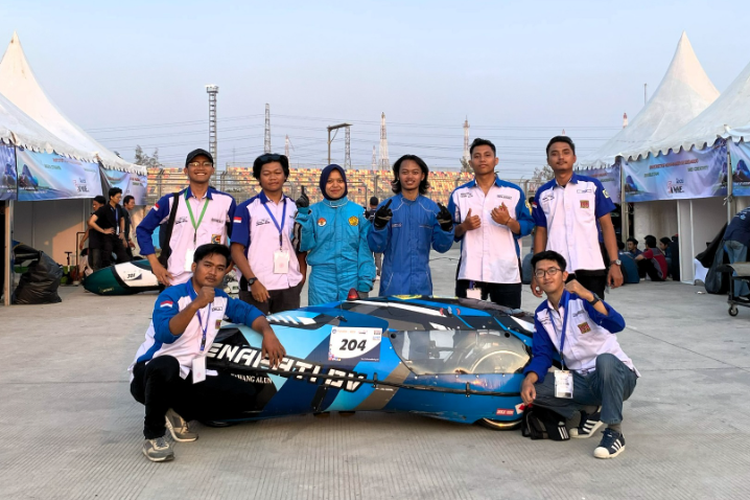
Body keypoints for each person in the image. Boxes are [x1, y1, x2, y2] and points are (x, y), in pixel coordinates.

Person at [129, 244, 285, 462]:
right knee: (167, 365)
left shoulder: (220, 298)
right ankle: (153, 437)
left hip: (192, 372)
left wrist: (268, 332)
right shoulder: (172, 296)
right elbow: (166, 334)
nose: (213, 272)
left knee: (246, 396)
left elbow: (247, 312)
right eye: (207, 265)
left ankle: (177, 412)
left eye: (220, 268)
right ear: (194, 266)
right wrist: (195, 305)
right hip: (150, 375)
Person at [521, 250, 638, 459]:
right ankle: (592, 408)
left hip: (617, 376)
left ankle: (614, 432)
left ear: (564, 275)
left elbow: (617, 324)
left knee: (605, 361)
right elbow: (542, 355)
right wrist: (529, 379)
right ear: (536, 280)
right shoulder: (542, 314)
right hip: (582, 381)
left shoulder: (582, 300)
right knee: (535, 387)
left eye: (552, 271)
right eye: (540, 273)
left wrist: (589, 295)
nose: (546, 276)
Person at [531, 136, 623, 299]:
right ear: (548, 160)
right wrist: (537, 272)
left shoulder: (592, 186)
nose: (561, 157)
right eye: (555, 154)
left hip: (590, 266)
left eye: (566, 153)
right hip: (556, 270)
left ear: (574, 158)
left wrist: (615, 263)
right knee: (561, 319)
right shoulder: (543, 193)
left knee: (593, 318)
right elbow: (540, 232)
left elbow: (607, 226)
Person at [448, 138, 534, 309]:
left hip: (505, 273)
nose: (482, 160)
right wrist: (464, 227)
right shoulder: (459, 194)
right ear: (470, 162)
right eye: (477, 156)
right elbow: (449, 230)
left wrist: (508, 221)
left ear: (495, 160)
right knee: (468, 324)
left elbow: (527, 225)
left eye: (487, 155)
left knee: (508, 325)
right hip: (471, 273)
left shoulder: (513, 192)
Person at [136, 148, 236, 286]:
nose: (200, 167)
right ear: (185, 170)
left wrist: (231, 262)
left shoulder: (226, 202)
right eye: (194, 164)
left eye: (206, 164)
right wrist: (155, 264)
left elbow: (238, 238)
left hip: (214, 279)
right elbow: (142, 230)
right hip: (176, 278)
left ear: (212, 170)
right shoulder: (171, 201)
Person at [367, 154, 454, 296]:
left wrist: (447, 229)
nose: (410, 177)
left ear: (422, 176)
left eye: (415, 172)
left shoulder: (432, 209)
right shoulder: (387, 208)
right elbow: (376, 246)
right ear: (398, 175)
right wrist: (379, 227)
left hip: (422, 284)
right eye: (405, 172)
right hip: (393, 284)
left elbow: (442, 247)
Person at [231, 153, 307, 314]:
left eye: (277, 172)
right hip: (257, 287)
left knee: (287, 337)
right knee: (256, 337)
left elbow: (301, 246)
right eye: (266, 173)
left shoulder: (295, 208)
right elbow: (236, 250)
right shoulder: (247, 208)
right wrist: (253, 281)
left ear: (285, 175)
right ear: (258, 177)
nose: (272, 177)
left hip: (289, 287)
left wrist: (301, 277)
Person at [293, 164, 375, 305]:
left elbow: (365, 251)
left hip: (351, 280)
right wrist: (303, 217)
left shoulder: (358, 212)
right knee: (322, 323)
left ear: (345, 183)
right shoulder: (312, 212)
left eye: (339, 181)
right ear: (322, 184)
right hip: (321, 282)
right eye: (329, 181)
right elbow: (303, 245)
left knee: (352, 325)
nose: (335, 185)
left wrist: (364, 283)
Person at [88, 188, 130, 269]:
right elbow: (91, 222)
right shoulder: (104, 209)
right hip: (107, 237)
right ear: (111, 197)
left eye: (120, 197)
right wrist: (103, 231)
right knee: (106, 257)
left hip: (117, 236)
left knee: (125, 257)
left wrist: (122, 232)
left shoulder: (118, 208)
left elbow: (122, 219)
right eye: (117, 197)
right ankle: (104, 274)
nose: (119, 199)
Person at [723, 207, 750, 300]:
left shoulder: (745, 210)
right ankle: (734, 295)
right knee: (739, 268)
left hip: (727, 239)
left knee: (735, 267)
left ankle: (745, 292)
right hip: (739, 240)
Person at [79, 195, 106, 269]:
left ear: (102, 205)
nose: (94, 206)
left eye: (95, 205)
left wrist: (90, 220)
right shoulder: (94, 215)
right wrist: (83, 240)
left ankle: (98, 279)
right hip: (92, 243)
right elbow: (89, 228)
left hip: (100, 244)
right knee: (91, 262)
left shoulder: (103, 215)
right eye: (93, 205)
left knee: (96, 264)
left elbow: (90, 224)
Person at [364, 196, 382, 278]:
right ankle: (378, 273)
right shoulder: (380, 214)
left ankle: (370, 272)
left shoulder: (368, 214)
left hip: (369, 238)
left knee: (369, 256)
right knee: (378, 257)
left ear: (370, 204)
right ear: (378, 204)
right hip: (379, 238)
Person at [122, 195, 136, 260]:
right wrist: (125, 239)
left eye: (134, 203)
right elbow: (123, 227)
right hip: (123, 239)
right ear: (125, 203)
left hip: (126, 239)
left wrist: (129, 239)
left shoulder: (127, 212)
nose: (133, 205)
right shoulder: (123, 212)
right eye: (132, 203)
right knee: (127, 258)